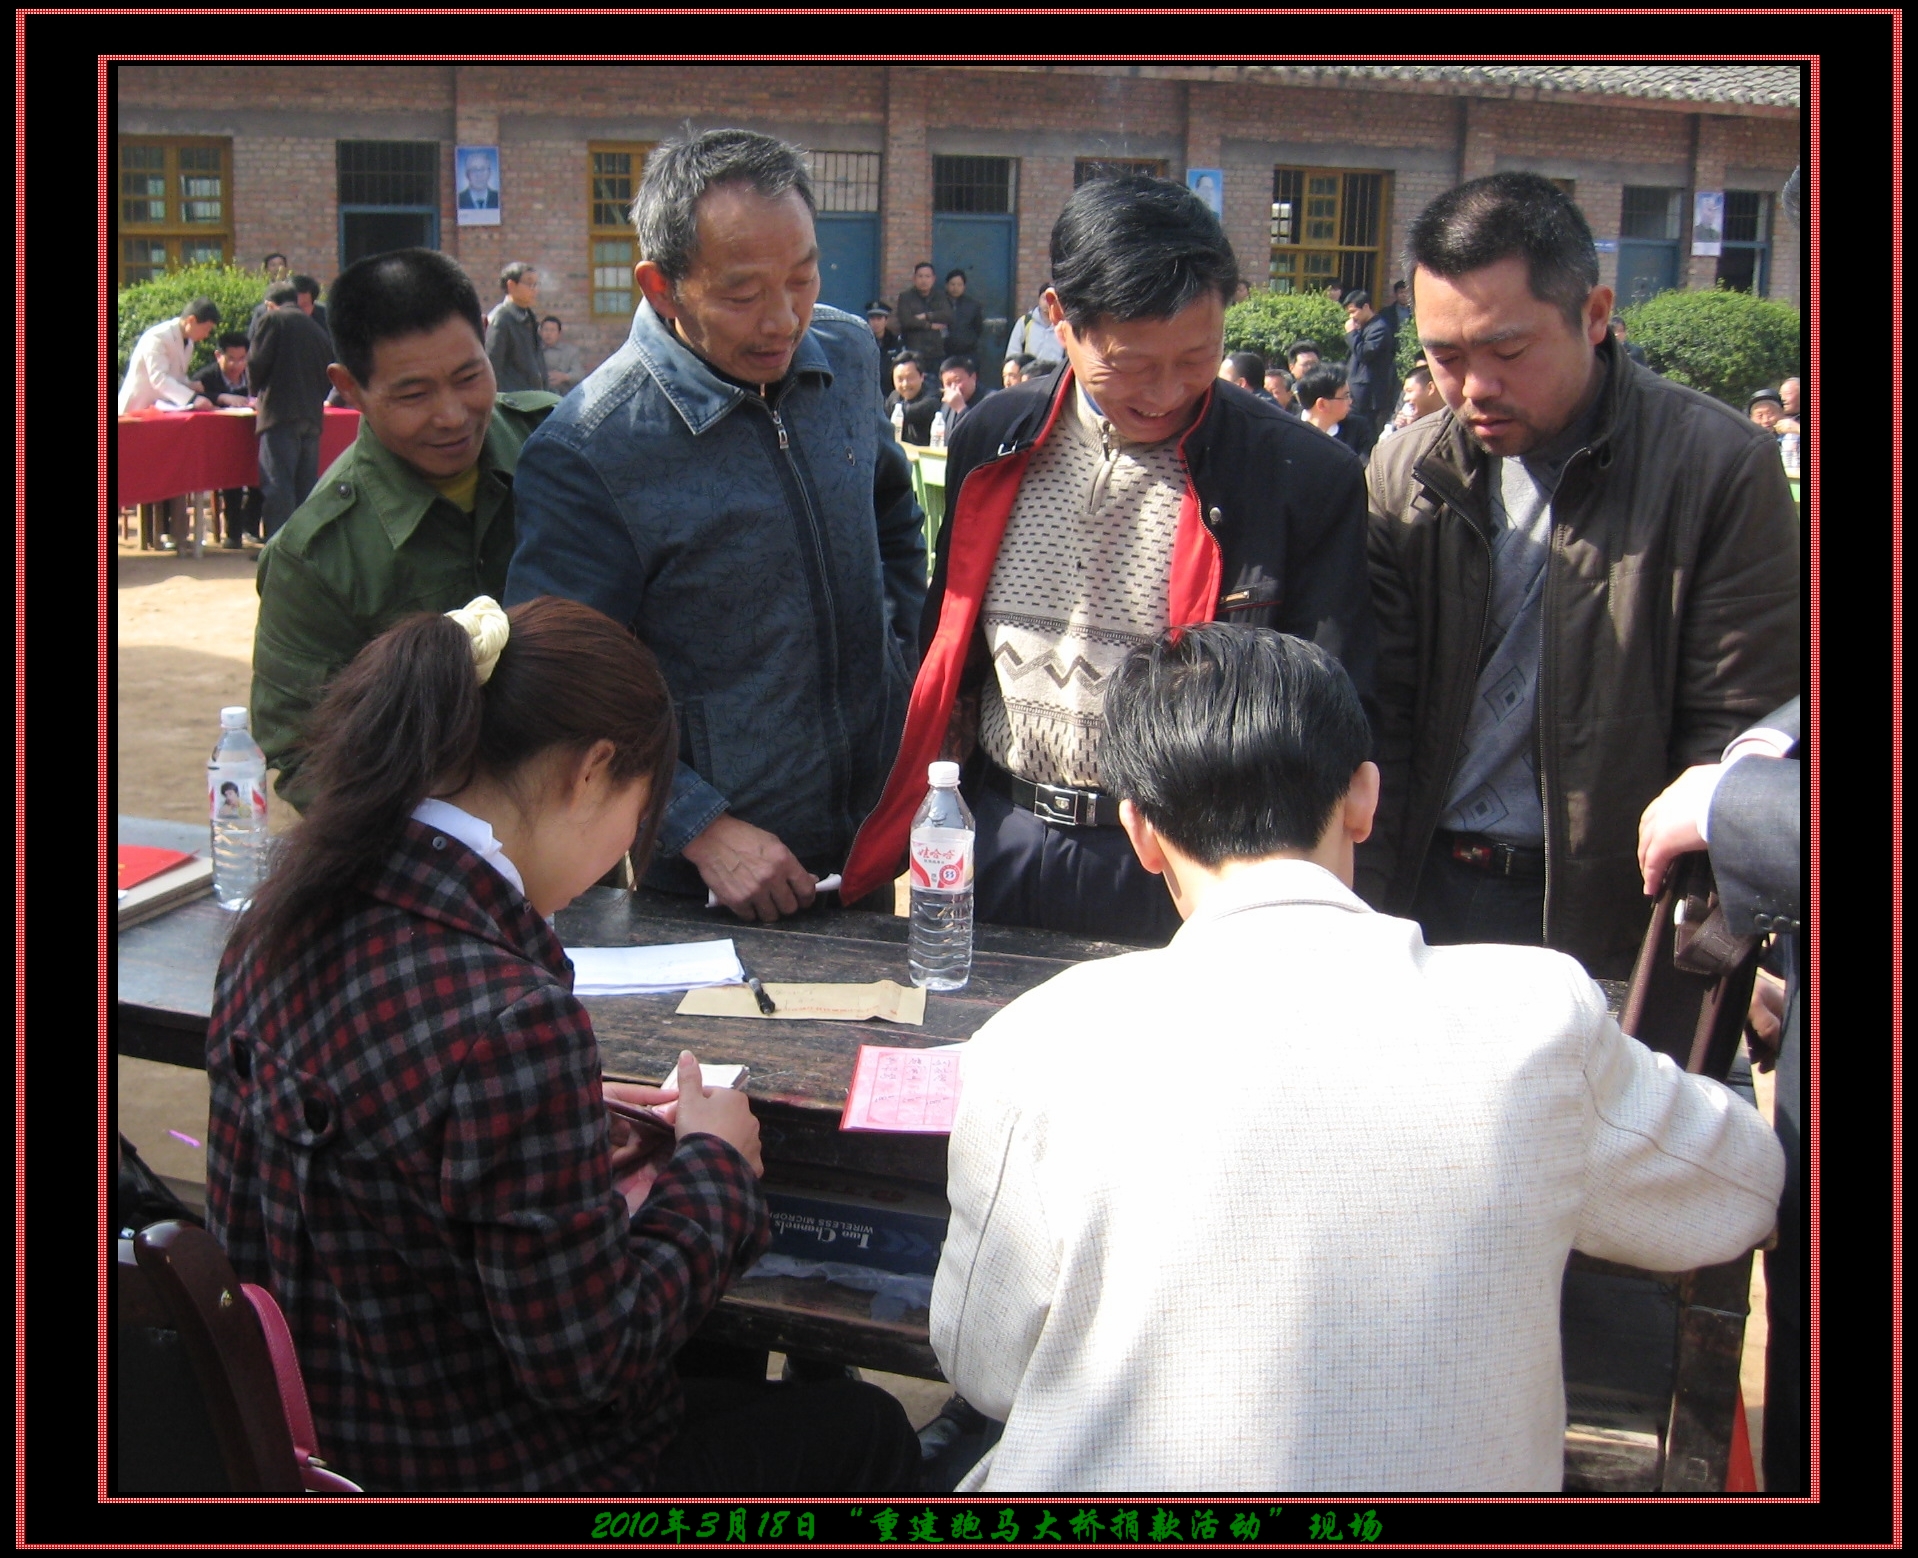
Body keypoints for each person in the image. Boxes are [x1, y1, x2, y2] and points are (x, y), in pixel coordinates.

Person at [931, 625, 1785, 1492]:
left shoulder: (1039, 1043)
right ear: (1364, 800)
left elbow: (983, 1363)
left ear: (1141, 833)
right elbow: (1740, 1191)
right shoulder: (1534, 1017)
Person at [209, 594, 920, 1493]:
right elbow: (592, 1360)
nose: (624, 848)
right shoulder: (510, 1019)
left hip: (329, 1446)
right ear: (592, 772)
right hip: (498, 1471)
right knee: (865, 1430)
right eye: (638, 816)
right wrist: (715, 1165)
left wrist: (568, 1121)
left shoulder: (279, 920)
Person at [841, 173, 1377, 943]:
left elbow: (1336, 708)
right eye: (1131, 363)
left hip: (1185, 861)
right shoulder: (992, 438)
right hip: (1003, 830)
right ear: (1058, 317)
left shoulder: (1299, 476)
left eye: (1197, 356)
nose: (1166, 391)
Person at [1360, 171, 1799, 980]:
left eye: (1509, 352)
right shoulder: (1405, 472)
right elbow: (1378, 713)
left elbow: (1735, 737)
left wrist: (1700, 946)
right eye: (1445, 356)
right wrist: (1364, 913)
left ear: (1595, 315)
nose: (1476, 387)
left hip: (1614, 913)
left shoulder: (1716, 467)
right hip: (1426, 892)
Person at [504, 128, 926, 923]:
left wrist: (901, 670)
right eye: (742, 294)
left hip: (867, 847)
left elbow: (893, 518)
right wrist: (697, 825)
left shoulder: (845, 355)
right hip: (708, 885)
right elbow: (555, 686)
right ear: (662, 287)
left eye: (802, 278)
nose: (784, 319)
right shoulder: (592, 448)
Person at [250, 248, 560, 808]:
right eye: (413, 394)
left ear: (483, 337)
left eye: (469, 376)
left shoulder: (558, 447)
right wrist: (440, 833)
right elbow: (303, 753)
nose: (451, 415)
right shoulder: (315, 557)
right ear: (349, 388)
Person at [248, 282, 335, 541]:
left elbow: (256, 362)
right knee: (305, 486)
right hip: (312, 415)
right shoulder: (316, 327)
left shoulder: (273, 320)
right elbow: (328, 371)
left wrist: (254, 392)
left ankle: (278, 548)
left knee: (278, 483)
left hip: (279, 412)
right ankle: (303, 545)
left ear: (269, 305)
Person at [194, 332, 264, 548]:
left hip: (253, 440)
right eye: (231, 359)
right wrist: (220, 398)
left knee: (261, 474)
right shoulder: (206, 378)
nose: (236, 365)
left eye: (242, 359)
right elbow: (190, 396)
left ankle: (252, 528)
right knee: (231, 478)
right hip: (220, 447)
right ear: (218, 355)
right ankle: (233, 533)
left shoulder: (255, 374)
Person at [118, 296, 219, 413]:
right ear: (191, 320)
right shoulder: (158, 336)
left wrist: (189, 385)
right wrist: (192, 398)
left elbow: (176, 376)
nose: (206, 335)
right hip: (137, 406)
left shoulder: (189, 342)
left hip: (161, 408)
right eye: (206, 329)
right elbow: (159, 378)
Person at [1341, 288, 1397, 453]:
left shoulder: (1379, 328)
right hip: (1356, 388)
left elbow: (1365, 353)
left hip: (1367, 392)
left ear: (1366, 307)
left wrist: (1352, 333)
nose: (1352, 317)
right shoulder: (1363, 327)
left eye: (1354, 311)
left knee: (1366, 429)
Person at [486, 262, 547, 393]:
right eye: (529, 284)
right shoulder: (501, 319)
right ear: (511, 285)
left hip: (534, 397)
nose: (534, 289)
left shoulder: (530, 318)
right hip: (513, 399)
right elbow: (492, 366)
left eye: (536, 284)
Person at [1294, 360, 1372, 457]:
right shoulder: (1290, 432)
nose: (1350, 401)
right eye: (1345, 396)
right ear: (1322, 404)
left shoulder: (1357, 428)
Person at [896, 261, 951, 360]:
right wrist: (929, 325)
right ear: (914, 278)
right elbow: (906, 321)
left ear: (933, 279)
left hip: (936, 350)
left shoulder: (940, 296)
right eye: (920, 276)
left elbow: (947, 315)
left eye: (927, 276)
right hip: (914, 350)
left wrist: (926, 316)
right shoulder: (905, 297)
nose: (924, 280)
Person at [886, 352, 941, 445]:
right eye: (900, 379)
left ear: (922, 377)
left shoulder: (932, 397)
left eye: (910, 378)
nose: (905, 384)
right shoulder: (894, 396)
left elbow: (911, 412)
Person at [1005, 281, 1064, 366]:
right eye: (1045, 298)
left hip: (1055, 372)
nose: (1048, 303)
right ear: (1039, 299)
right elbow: (1013, 352)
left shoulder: (1063, 325)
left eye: (1052, 299)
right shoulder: (1025, 322)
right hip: (1029, 371)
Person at [936, 354, 985, 437]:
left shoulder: (990, 401)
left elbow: (981, 434)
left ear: (973, 377)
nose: (954, 388)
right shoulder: (948, 403)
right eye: (948, 384)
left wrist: (960, 408)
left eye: (957, 381)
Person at [942, 268, 985, 360]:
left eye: (959, 285)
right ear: (946, 285)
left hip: (967, 352)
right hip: (943, 352)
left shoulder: (973, 305)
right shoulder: (938, 303)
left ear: (964, 286)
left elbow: (978, 328)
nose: (955, 288)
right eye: (952, 284)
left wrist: (969, 341)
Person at [539, 315, 584, 394]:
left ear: (559, 333)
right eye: (546, 330)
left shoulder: (570, 352)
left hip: (563, 395)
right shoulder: (534, 351)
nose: (548, 333)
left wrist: (564, 377)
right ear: (541, 332)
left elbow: (579, 374)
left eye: (552, 330)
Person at [865, 302, 901, 397]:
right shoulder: (864, 341)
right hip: (868, 392)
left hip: (890, 393)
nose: (875, 323)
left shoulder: (896, 342)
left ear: (886, 321)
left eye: (879, 319)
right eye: (872, 319)